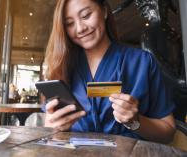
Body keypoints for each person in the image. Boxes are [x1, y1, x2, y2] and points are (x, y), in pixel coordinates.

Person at [44, 0, 176, 143]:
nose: (80, 28)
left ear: (105, 11)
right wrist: (51, 127)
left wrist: (135, 121)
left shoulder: (142, 62)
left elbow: (168, 132)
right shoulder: (62, 67)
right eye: (69, 23)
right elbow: (50, 129)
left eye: (86, 15)